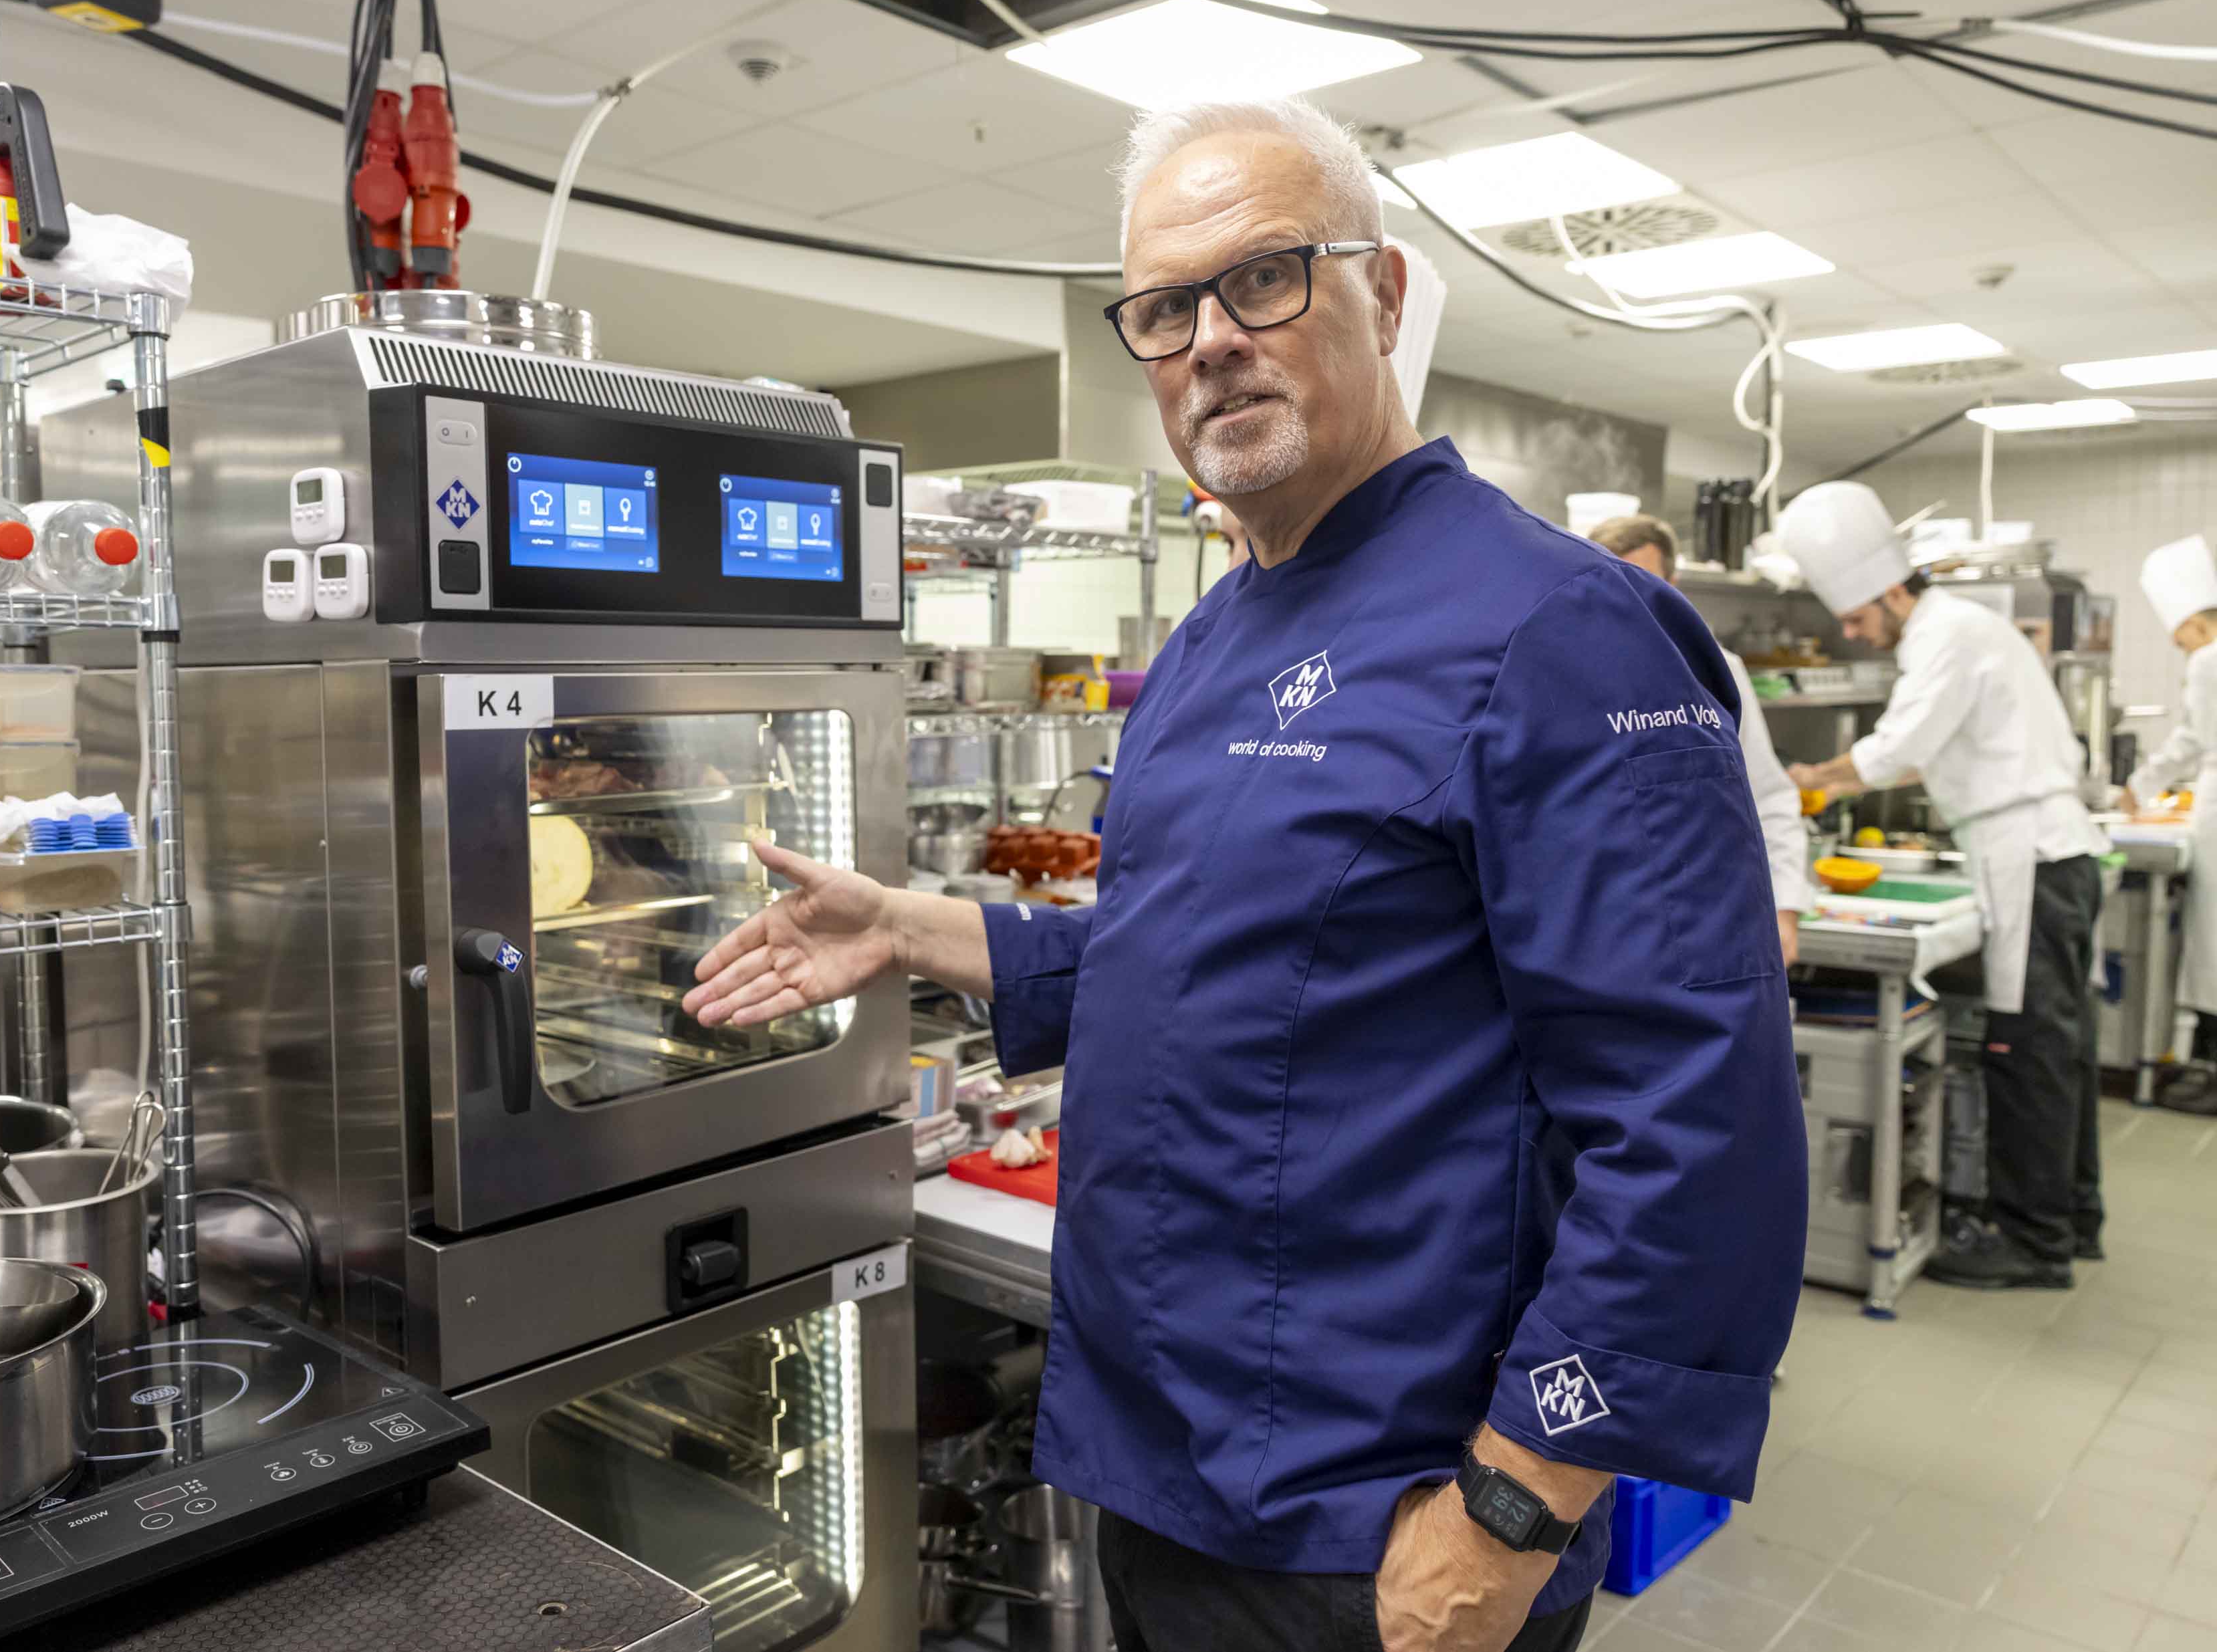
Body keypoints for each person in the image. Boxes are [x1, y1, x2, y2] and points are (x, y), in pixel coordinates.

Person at [686, 96, 1804, 1652]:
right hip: (1163, 1461)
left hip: (1377, 1512)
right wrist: (908, 925)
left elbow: (1699, 1117)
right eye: (1162, 307)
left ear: (1383, 294)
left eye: (1265, 278)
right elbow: (1199, 949)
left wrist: (1510, 1509)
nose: (1210, 338)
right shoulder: (1215, 636)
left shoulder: (1558, 628)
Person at [1775, 481, 2109, 1286]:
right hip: (2051, 851)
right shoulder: (1964, 629)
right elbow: (1920, 753)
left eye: (1858, 618)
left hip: (2030, 854)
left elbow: (1895, 750)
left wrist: (1805, 780)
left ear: (1892, 591)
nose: (1854, 633)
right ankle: (2073, 1218)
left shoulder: (1947, 633)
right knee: (2060, 1050)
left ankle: (2033, 1242)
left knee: (2026, 1050)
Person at [1592, 513, 1815, 965]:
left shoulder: (1717, 669)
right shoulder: (1560, 672)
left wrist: (1785, 909)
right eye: (1610, 583)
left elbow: (1767, 796)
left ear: (1672, 586)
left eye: (1642, 583)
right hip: (1604, 929)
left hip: (1708, 922)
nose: (1627, 600)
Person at [2122, 534, 2217, 1115]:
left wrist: (2139, 786)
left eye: (2179, 638)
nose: (2179, 649)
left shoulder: (2208, 660)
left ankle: (2207, 1070)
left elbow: (2191, 741)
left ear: (2195, 624)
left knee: (2212, 945)